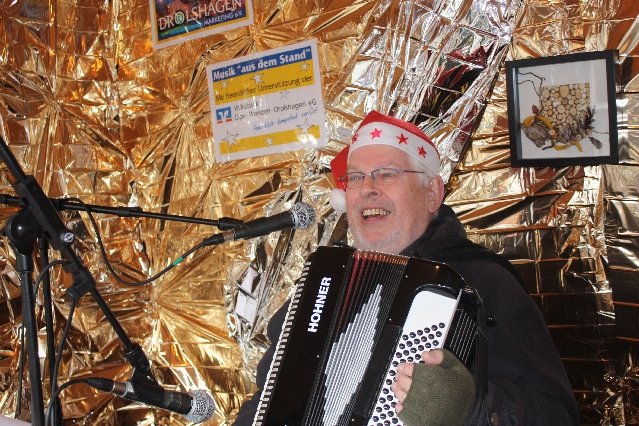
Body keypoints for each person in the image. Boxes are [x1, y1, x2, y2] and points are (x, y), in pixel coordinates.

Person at [233, 111, 580, 426]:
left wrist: (473, 409)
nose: (367, 189)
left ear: (432, 193)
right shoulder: (320, 285)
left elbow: (557, 416)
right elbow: (267, 402)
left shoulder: (484, 282)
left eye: (387, 174)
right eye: (355, 178)